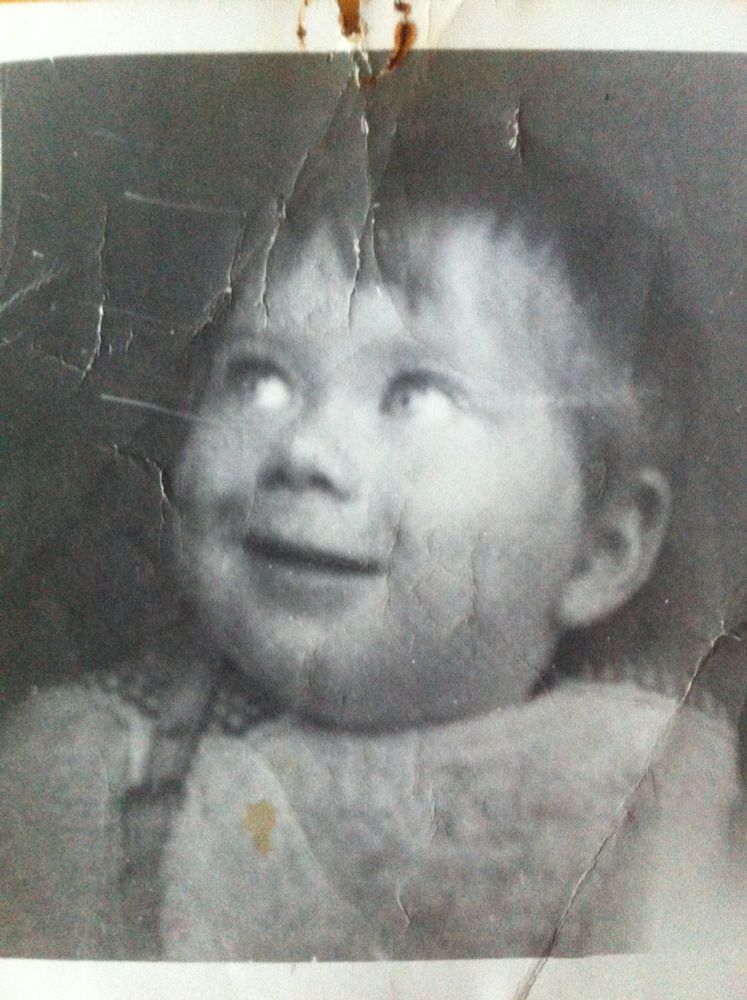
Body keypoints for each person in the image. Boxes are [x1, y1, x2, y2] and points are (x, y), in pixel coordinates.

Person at [0, 145, 743, 961]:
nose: (305, 450)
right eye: (258, 380)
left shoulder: (656, 801)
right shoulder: (83, 774)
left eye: (415, 396)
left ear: (601, 550)